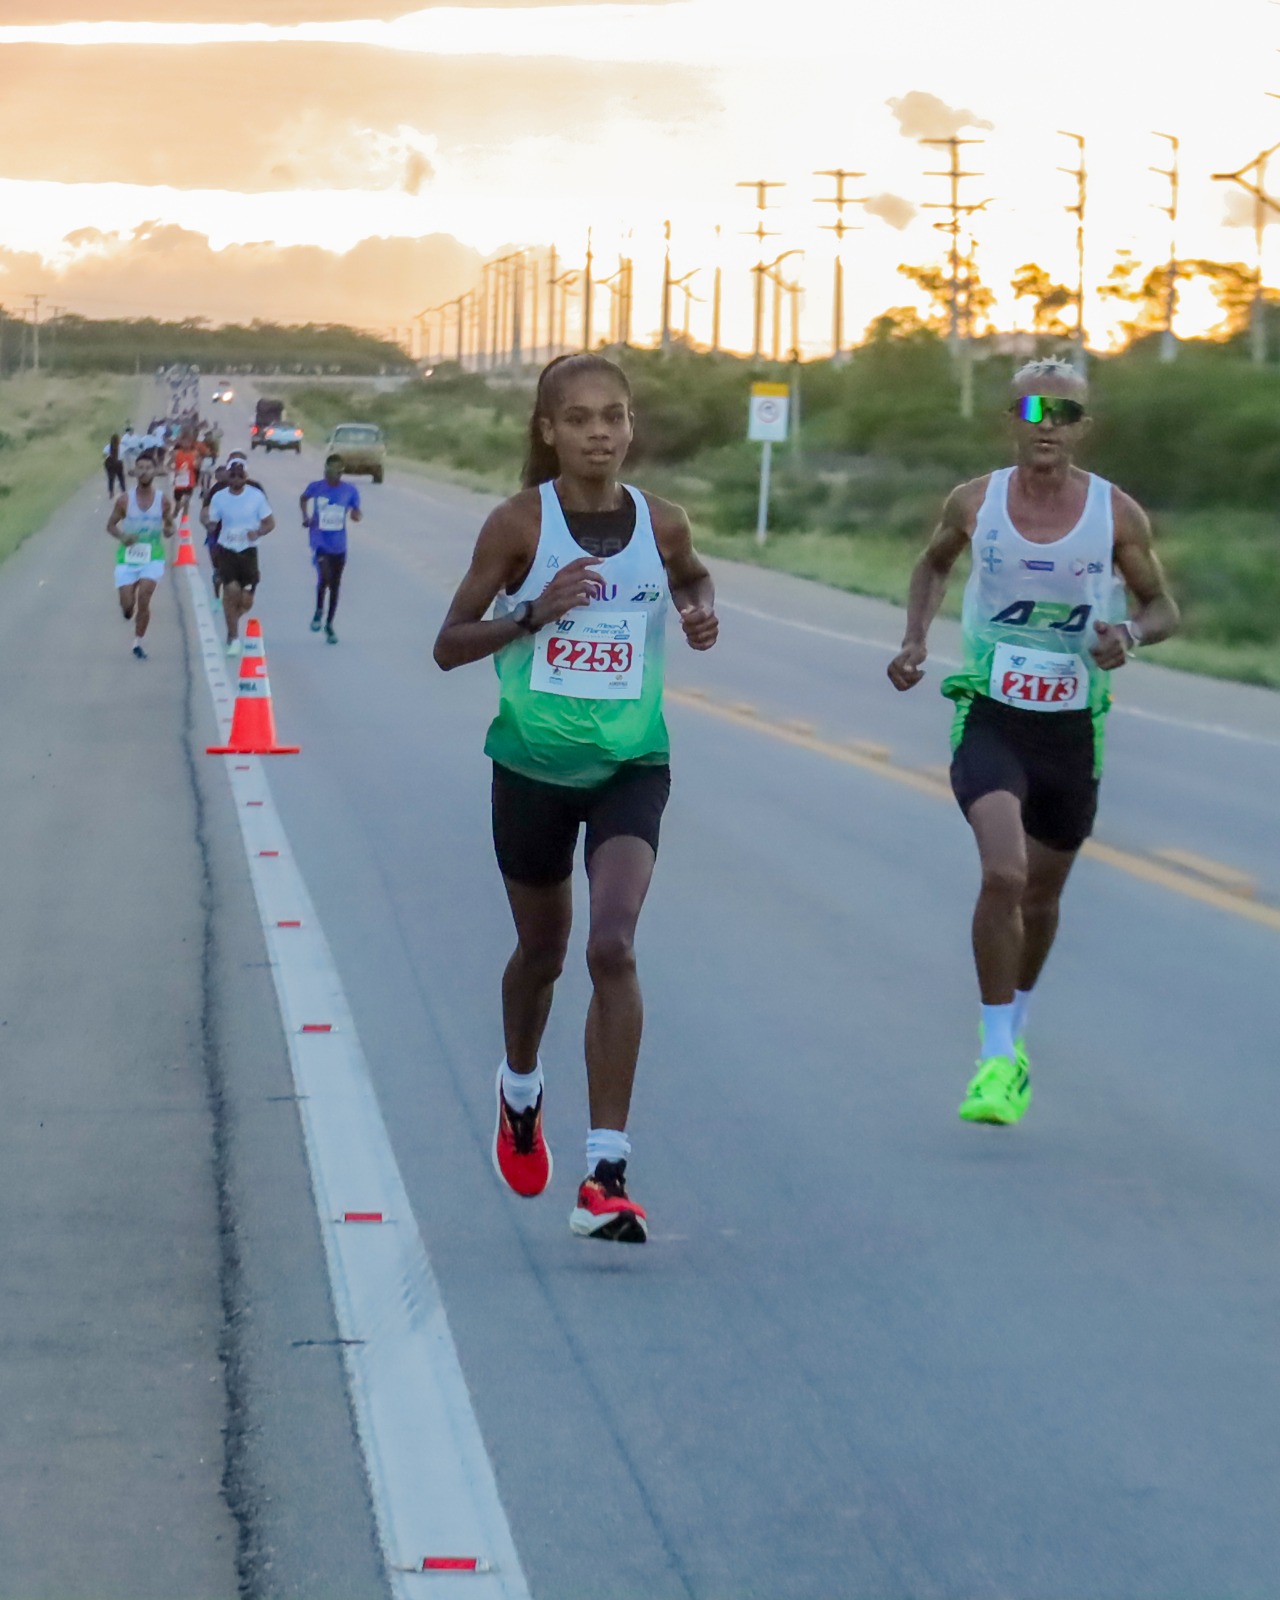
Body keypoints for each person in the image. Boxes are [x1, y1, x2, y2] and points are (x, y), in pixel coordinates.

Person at [434, 354, 719, 1243]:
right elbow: (447, 644)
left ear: (632, 428)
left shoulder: (661, 524)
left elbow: (693, 577)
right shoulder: (520, 524)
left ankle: (606, 1173)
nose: (601, 431)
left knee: (613, 946)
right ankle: (520, 1089)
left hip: (633, 764)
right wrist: (532, 614)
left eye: (616, 416)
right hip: (530, 769)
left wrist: (703, 609)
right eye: (582, 418)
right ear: (548, 430)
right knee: (542, 952)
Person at [887, 357, 1179, 1125]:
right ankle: (992, 1056)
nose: (1047, 423)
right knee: (1006, 874)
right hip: (990, 710)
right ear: (1011, 419)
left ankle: (1014, 1033)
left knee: (1043, 898)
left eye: (1065, 412)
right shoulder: (974, 502)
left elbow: (1160, 607)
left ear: (1083, 427)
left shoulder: (1116, 515)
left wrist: (1128, 635)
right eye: (1033, 409)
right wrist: (915, 639)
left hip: (1073, 727)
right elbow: (932, 565)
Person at [106, 448, 174, 660]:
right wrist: (122, 536)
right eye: (140, 468)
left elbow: (169, 526)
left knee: (145, 596)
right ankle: (128, 608)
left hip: (152, 556)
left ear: (155, 472)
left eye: (148, 468)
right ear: (134, 472)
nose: (144, 472)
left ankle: (138, 642)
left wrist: (168, 530)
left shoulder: (163, 501)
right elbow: (110, 525)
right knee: (128, 608)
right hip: (127, 557)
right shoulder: (124, 501)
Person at [207, 456, 274, 657]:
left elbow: (270, 523)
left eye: (240, 475)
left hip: (248, 551)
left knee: (245, 601)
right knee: (231, 590)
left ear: (246, 476)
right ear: (228, 476)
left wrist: (258, 532)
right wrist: (210, 525)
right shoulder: (219, 497)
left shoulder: (256, 497)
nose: (236, 479)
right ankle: (234, 637)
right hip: (227, 549)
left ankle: (232, 622)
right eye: (233, 475)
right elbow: (212, 520)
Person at [299, 453, 362, 643]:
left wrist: (356, 515)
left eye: (336, 472)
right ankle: (319, 610)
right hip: (320, 541)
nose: (331, 475)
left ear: (341, 472)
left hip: (339, 544)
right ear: (325, 470)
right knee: (324, 577)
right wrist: (305, 517)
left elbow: (356, 511)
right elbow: (304, 498)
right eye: (328, 471)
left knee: (335, 585)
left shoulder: (350, 491)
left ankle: (329, 624)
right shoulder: (316, 487)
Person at [171, 429, 199, 517]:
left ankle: (184, 523)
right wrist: (174, 470)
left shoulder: (195, 454)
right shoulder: (176, 453)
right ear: (181, 442)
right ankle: (176, 511)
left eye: (188, 441)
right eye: (184, 441)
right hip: (179, 481)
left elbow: (198, 468)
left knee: (186, 502)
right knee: (178, 502)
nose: (186, 444)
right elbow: (168, 465)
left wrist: (196, 466)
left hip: (190, 481)